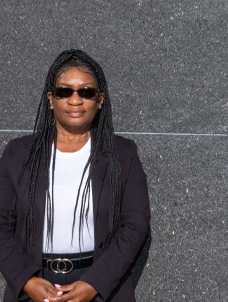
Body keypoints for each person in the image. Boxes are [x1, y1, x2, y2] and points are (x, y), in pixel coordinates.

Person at [0, 49, 151, 302]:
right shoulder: (18, 154)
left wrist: (94, 284)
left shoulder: (124, 155)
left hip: (102, 289)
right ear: (51, 98)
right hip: (33, 287)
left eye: (86, 92)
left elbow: (135, 225)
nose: (75, 100)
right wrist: (25, 281)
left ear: (100, 99)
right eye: (64, 91)